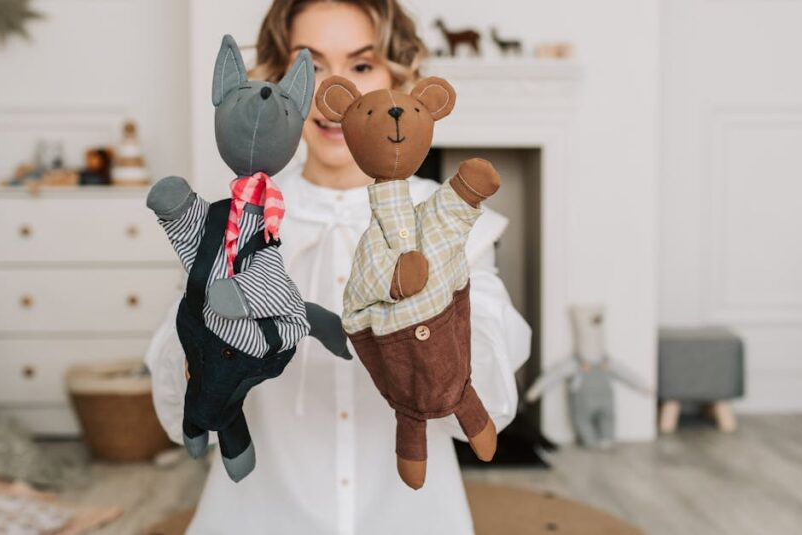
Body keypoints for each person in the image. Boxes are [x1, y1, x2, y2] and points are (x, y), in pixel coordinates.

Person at [144, 1, 531, 533]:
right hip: (261, 514)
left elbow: (489, 404)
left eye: (362, 64)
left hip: (410, 516)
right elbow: (178, 412)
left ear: (400, 79)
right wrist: (202, 346)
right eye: (312, 65)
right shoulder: (234, 222)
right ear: (278, 82)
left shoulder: (449, 219)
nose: (334, 89)